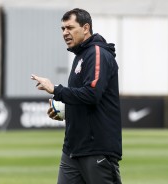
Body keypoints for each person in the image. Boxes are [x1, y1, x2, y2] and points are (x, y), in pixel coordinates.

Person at [31, 8, 122, 184]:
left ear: (86, 28)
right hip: (72, 149)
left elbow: (92, 94)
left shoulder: (97, 53)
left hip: (96, 150)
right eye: (63, 29)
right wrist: (65, 110)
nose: (65, 33)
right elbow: (82, 98)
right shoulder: (80, 56)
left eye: (70, 28)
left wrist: (56, 90)